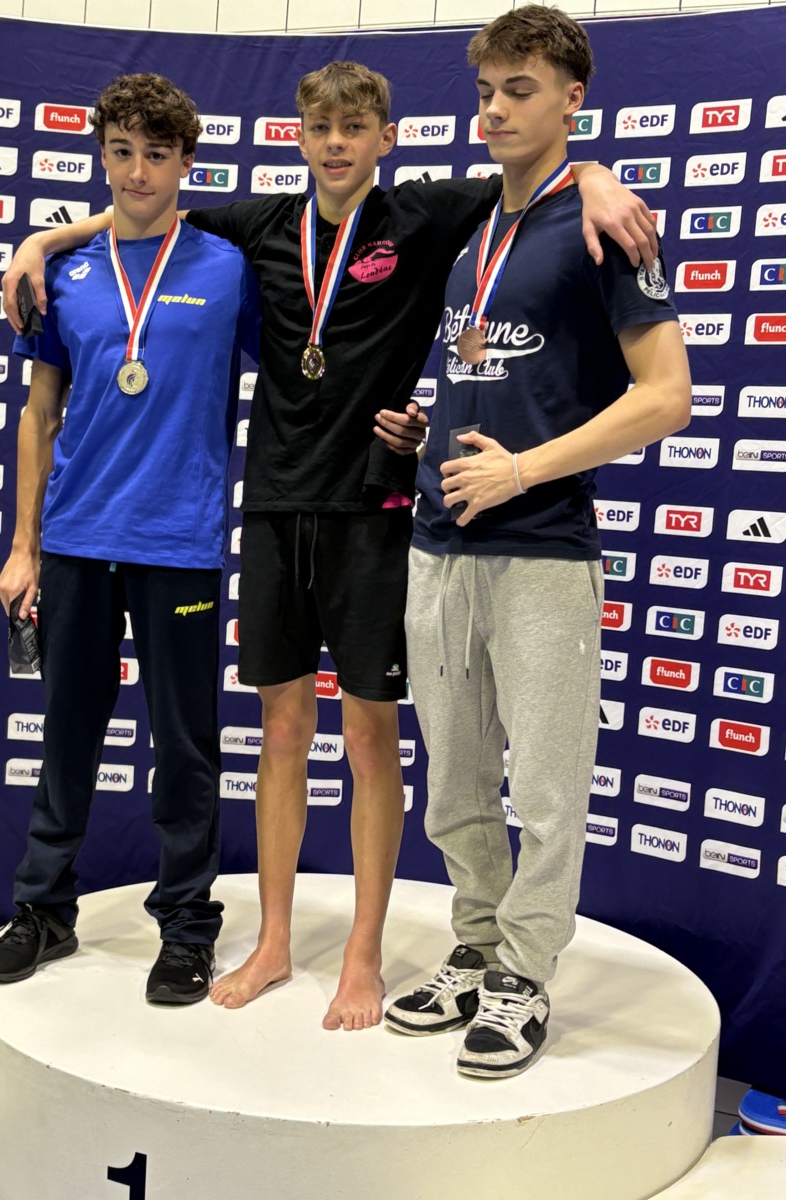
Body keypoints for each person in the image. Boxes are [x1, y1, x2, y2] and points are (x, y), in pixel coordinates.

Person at [1, 59, 658, 1030]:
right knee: (280, 731)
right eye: (320, 128)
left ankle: (361, 957)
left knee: (368, 738)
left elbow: (535, 179)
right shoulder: (260, 227)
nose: (337, 144)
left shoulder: (421, 216)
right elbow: (146, 211)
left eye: (356, 127)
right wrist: (47, 236)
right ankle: (272, 942)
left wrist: (599, 177)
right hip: (273, 508)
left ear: (386, 139)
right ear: (299, 138)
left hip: (373, 513)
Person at [383, 7, 691, 1076]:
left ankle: (524, 974)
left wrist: (521, 468)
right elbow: (497, 363)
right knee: (456, 783)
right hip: (438, 543)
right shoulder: (478, 233)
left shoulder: (605, 224)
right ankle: (474, 947)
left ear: (572, 98)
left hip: (543, 547)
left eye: (520, 90)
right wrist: (433, 427)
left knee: (548, 789)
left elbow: (666, 397)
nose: (496, 110)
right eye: (486, 91)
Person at [0, 73, 260, 1007]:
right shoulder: (63, 276)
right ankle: (43, 909)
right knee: (67, 734)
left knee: (184, 747)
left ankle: (185, 925)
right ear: (102, 154)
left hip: (178, 541)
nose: (138, 173)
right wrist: (23, 545)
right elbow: (38, 414)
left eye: (158, 155)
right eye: (122, 152)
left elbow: (299, 381)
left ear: (187, 162)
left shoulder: (228, 268)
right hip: (75, 538)